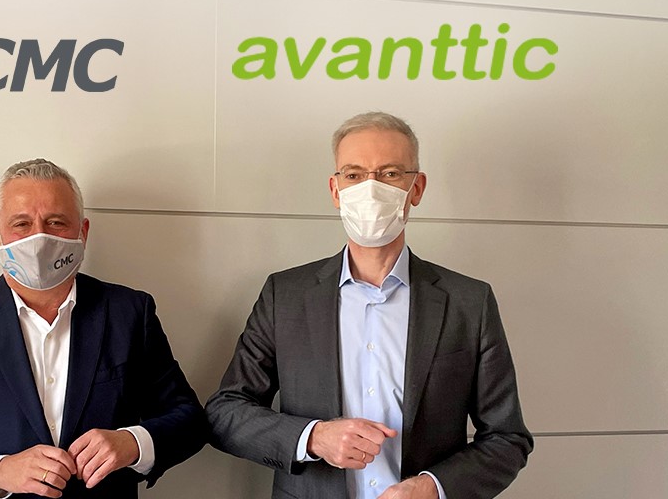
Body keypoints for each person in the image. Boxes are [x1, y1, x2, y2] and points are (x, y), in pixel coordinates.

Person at [205, 112, 533, 499]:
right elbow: (226, 412)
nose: (370, 189)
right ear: (335, 189)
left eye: (390, 173)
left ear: (416, 188)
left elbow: (507, 438)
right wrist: (314, 437)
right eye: (354, 174)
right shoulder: (285, 296)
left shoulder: (469, 302)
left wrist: (433, 487)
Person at [0, 159, 208, 499]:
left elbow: (190, 421)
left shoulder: (129, 313)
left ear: (83, 231)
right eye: (21, 224)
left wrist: (133, 443)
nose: (39, 237)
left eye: (56, 222)